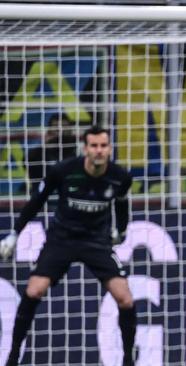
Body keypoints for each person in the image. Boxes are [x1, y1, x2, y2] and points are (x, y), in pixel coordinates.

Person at [0, 126, 136, 366]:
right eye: (93, 146)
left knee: (125, 298)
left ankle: (127, 360)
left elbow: (122, 205)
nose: (99, 151)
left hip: (96, 242)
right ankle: (12, 357)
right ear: (85, 149)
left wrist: (122, 230)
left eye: (103, 146)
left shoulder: (120, 177)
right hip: (61, 239)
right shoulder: (62, 171)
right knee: (34, 291)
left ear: (110, 149)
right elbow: (36, 202)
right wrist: (14, 234)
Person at [26, 113, 77, 193]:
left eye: (64, 126)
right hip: (44, 195)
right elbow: (28, 163)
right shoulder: (38, 154)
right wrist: (46, 146)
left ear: (70, 130)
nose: (61, 130)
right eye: (56, 127)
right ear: (49, 131)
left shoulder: (78, 151)